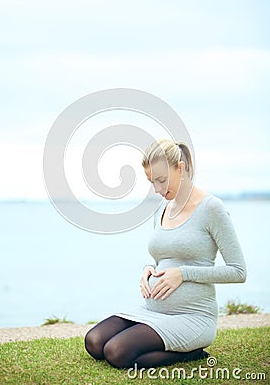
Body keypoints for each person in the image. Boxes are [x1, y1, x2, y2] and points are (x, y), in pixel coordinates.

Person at [84, 139, 246, 369]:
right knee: (94, 341)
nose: (158, 189)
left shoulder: (212, 208)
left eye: (162, 180)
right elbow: (163, 258)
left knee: (116, 352)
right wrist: (147, 270)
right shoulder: (162, 209)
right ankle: (169, 344)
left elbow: (238, 272)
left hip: (192, 316)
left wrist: (183, 274)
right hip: (152, 310)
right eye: (152, 182)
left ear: (180, 168)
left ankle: (191, 352)